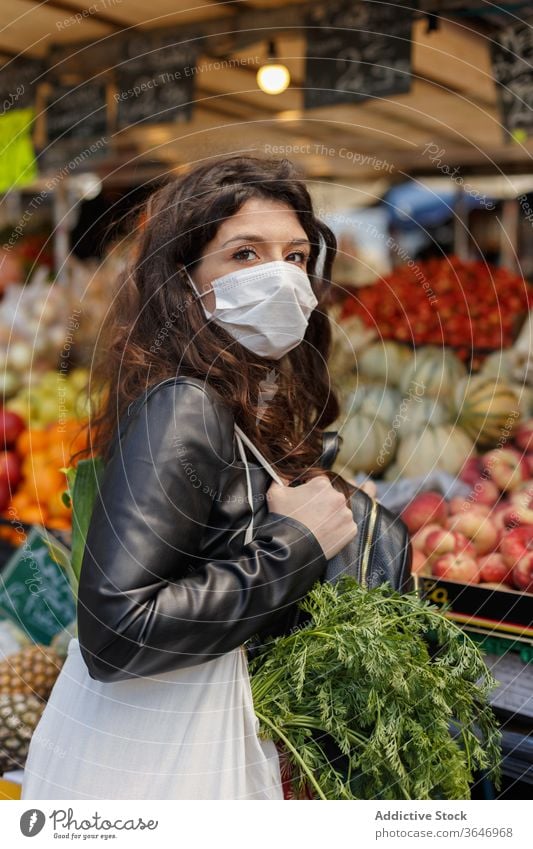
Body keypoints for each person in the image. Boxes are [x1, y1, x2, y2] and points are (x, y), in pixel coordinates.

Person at [21, 155, 359, 800]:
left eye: (294, 256)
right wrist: (295, 545)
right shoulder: (185, 403)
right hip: (160, 758)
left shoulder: (235, 397)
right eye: (244, 255)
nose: (281, 278)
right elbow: (117, 631)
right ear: (186, 282)